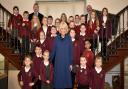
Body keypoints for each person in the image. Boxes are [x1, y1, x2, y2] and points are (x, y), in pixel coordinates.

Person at [50, 22, 73, 89]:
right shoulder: (56, 38)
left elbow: (71, 51)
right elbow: (53, 51)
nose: (63, 30)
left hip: (66, 62)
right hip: (58, 63)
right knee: (58, 81)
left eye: (64, 29)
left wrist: (71, 63)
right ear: (59, 29)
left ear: (66, 30)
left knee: (66, 82)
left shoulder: (69, 38)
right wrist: (49, 60)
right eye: (62, 29)